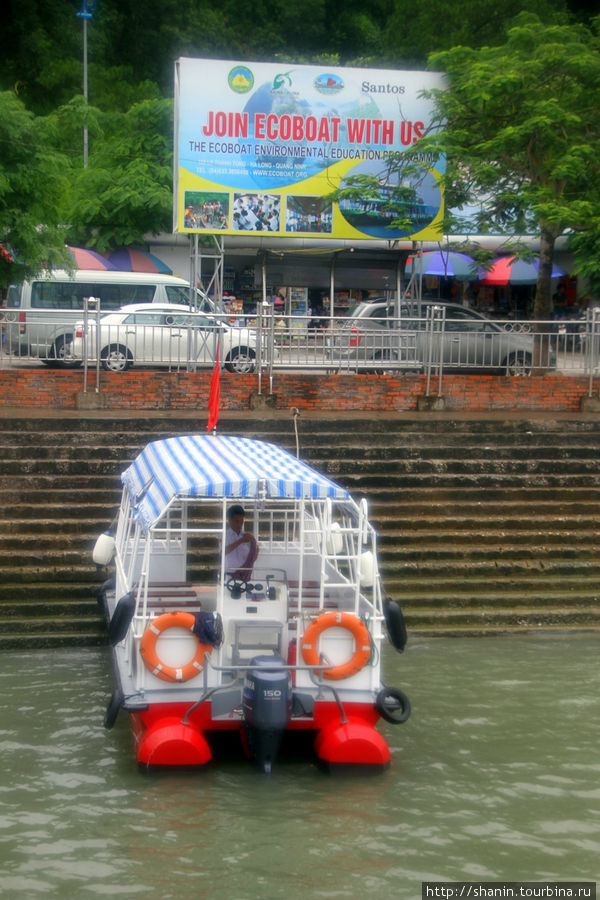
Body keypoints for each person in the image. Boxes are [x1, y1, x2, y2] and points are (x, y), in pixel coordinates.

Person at [224, 504, 259, 579]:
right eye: (237, 521)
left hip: (245, 575)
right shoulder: (224, 535)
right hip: (230, 575)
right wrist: (240, 541)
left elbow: (251, 560)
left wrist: (256, 553)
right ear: (229, 520)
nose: (239, 524)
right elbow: (223, 552)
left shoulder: (248, 537)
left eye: (242, 521)